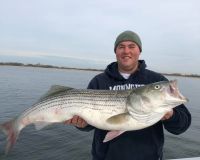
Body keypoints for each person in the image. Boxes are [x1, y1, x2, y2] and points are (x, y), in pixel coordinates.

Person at [65, 30, 191, 160]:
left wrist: (171, 116)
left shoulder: (156, 79)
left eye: (132, 46)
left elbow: (182, 126)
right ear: (116, 51)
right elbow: (90, 124)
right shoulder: (99, 81)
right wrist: (81, 124)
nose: (126, 51)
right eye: (121, 47)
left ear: (139, 51)